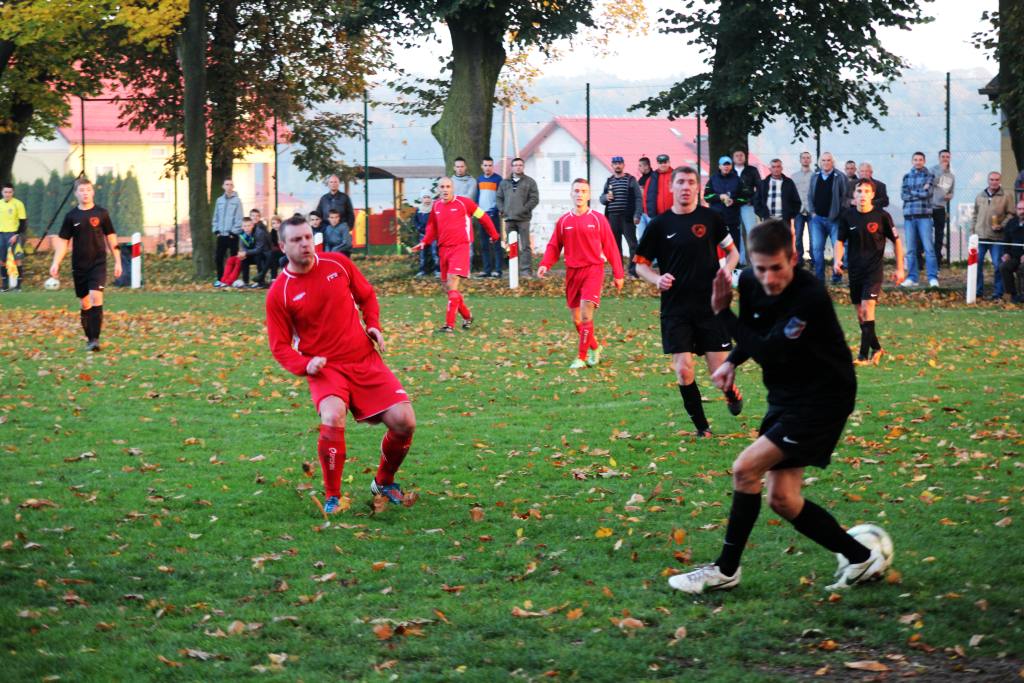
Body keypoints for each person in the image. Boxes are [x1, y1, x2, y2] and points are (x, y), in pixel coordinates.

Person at [669, 219, 885, 594]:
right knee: (783, 499)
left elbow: (772, 350)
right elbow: (759, 332)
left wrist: (722, 313)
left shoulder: (809, 296)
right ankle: (861, 557)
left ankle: (725, 570)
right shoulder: (752, 283)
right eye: (760, 268)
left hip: (824, 397)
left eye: (777, 268)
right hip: (787, 394)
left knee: (744, 469)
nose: (768, 278)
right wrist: (733, 361)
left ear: (794, 258)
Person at [266, 215, 416, 512]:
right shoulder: (279, 293)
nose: (305, 244)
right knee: (333, 416)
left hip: (364, 358)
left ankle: (384, 481)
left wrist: (373, 325)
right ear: (283, 246)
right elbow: (279, 346)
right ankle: (333, 496)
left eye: (308, 237)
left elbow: (367, 296)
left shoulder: (338, 264)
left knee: (405, 421)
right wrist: (304, 365)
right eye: (296, 240)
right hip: (326, 368)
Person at [635, 166, 743, 438]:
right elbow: (640, 265)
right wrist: (656, 279)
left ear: (698, 188)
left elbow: (733, 253)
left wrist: (727, 270)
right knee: (683, 371)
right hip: (675, 309)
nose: (685, 187)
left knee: (719, 374)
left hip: (710, 307)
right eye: (680, 182)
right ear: (671, 187)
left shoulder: (711, 218)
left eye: (691, 182)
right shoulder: (659, 225)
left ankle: (730, 393)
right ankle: (702, 427)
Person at [538, 178, 625, 368]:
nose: (579, 194)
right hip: (572, 273)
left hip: (593, 270)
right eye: (576, 191)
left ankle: (582, 357)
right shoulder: (564, 221)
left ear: (589, 195)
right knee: (577, 320)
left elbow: (611, 247)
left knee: (586, 316)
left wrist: (618, 274)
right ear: (571, 194)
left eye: (583, 191)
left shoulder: (598, 219)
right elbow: (554, 246)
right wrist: (545, 263)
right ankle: (595, 347)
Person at [414, 177, 500, 332]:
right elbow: (432, 227)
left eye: (448, 186)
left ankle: (449, 325)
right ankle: (467, 316)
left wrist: (493, 234)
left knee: (453, 281)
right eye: (442, 187)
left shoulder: (464, 203)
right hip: (443, 249)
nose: (445, 189)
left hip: (461, 247)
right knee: (448, 289)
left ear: (452, 188)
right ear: (438, 190)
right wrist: (424, 242)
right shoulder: (437, 206)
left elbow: (484, 217)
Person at [834, 180, 905, 365]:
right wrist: (837, 260)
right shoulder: (847, 216)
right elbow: (840, 241)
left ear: (872, 195)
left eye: (867, 191)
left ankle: (862, 356)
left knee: (867, 309)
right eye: (859, 191)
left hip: (873, 271)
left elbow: (897, 241)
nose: (863, 194)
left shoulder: (882, 216)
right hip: (855, 272)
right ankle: (877, 348)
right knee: (860, 315)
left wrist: (900, 268)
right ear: (854, 196)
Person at [48, 178, 123, 352]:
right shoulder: (71, 216)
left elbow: (111, 238)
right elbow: (63, 243)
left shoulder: (102, 214)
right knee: (85, 304)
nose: (85, 193)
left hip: (98, 263)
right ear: (76, 194)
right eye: (81, 190)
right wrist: (55, 263)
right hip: (79, 265)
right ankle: (90, 338)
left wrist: (118, 261)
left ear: (93, 192)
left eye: (88, 189)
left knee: (96, 296)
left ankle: (95, 340)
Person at [900, 152, 939, 288]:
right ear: (912, 161)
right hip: (909, 217)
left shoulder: (929, 176)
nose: (918, 162)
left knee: (929, 248)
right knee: (910, 250)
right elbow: (903, 195)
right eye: (915, 159)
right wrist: (919, 192)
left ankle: (933, 278)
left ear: (924, 161)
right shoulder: (906, 177)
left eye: (920, 160)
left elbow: (927, 194)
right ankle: (912, 278)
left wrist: (912, 192)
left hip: (924, 217)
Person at [808, 152, 848, 283]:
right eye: (823, 160)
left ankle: (837, 277)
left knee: (838, 248)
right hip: (817, 219)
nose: (826, 162)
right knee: (817, 249)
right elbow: (809, 196)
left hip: (834, 220)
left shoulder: (840, 176)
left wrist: (839, 214)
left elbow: (845, 197)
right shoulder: (815, 177)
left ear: (833, 162)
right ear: (820, 162)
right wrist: (812, 212)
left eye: (828, 160)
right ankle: (819, 279)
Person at [599, 155, 643, 277]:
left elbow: (638, 198)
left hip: (628, 217)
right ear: (612, 166)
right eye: (615, 163)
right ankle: (618, 272)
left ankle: (633, 271)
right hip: (613, 218)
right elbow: (601, 198)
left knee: (633, 245)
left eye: (620, 163)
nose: (617, 165)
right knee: (615, 246)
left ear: (623, 165)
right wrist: (605, 198)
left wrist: (637, 214)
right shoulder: (609, 181)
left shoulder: (630, 180)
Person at [496, 158, 539, 278]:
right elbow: (499, 197)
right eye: (515, 165)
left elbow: (534, 199)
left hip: (524, 219)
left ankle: (526, 272)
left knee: (525, 246)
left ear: (523, 167)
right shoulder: (504, 183)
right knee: (511, 246)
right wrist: (502, 209)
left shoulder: (530, 182)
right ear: (512, 167)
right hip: (509, 219)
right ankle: (514, 271)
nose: (518, 167)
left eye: (520, 165)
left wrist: (524, 209)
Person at [971, 171, 1012, 299]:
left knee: (997, 265)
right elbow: (975, 215)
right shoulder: (979, 196)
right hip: (980, 237)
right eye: (991, 179)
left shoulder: (1006, 196)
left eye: (996, 179)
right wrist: (973, 231)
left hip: (997, 238)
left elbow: (1011, 214)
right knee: (976, 264)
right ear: (988, 180)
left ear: (1000, 181)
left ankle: (998, 293)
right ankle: (977, 292)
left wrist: (1002, 225)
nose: (994, 182)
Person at [704, 156, 743, 252]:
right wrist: (719, 197)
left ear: (731, 166)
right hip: (716, 217)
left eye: (728, 164)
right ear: (719, 166)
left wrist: (734, 201)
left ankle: (735, 266)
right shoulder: (713, 179)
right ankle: (717, 265)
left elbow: (745, 197)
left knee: (734, 244)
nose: (726, 167)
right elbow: (706, 197)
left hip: (733, 217)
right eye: (724, 165)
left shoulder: (737, 179)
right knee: (716, 243)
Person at [754, 158, 801, 234]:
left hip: (784, 221)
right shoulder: (763, 183)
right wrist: (763, 214)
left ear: (782, 168)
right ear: (770, 169)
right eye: (773, 167)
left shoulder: (789, 183)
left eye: (778, 166)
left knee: (783, 244)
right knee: (769, 244)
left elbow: (796, 201)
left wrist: (790, 214)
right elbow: (756, 201)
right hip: (768, 221)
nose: (776, 169)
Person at [732, 149, 762, 264]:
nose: (739, 157)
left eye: (741, 155)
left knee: (752, 232)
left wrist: (753, 200)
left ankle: (756, 260)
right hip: (733, 206)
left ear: (745, 157)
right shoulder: (730, 171)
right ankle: (741, 261)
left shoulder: (752, 170)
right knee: (737, 233)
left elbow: (760, 187)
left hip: (748, 205)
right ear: (733, 158)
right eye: (737, 155)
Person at [212, 178, 243, 285]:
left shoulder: (237, 201)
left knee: (234, 259)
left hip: (232, 236)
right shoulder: (219, 200)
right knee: (218, 258)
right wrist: (216, 231)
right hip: (221, 235)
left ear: (233, 187)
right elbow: (215, 217)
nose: (229, 186)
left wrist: (233, 232)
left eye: (231, 184)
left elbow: (239, 218)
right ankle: (220, 279)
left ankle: (232, 280)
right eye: (227, 184)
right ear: (223, 186)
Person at [476, 156, 503, 278]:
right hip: (482, 215)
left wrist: (495, 209)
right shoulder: (479, 179)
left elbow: (501, 197)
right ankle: (487, 270)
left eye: (490, 165)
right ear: (482, 166)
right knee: (484, 244)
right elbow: (477, 197)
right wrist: (477, 212)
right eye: (485, 165)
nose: (487, 167)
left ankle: (498, 270)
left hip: (492, 215)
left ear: (493, 166)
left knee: (496, 243)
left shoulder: (498, 179)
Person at [929, 150, 955, 263]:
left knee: (939, 235)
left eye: (947, 157)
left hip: (940, 208)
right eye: (943, 156)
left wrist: (950, 195)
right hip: (929, 208)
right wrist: (941, 171)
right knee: (926, 234)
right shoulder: (932, 170)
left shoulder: (951, 175)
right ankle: (922, 260)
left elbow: (951, 190)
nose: (945, 159)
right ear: (939, 158)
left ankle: (937, 260)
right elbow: (932, 183)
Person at [1, 182, 27, 291]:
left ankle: (18, 286)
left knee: (17, 260)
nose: (8, 194)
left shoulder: (18, 204)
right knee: (2, 260)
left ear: (13, 192)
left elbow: (23, 222)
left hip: (14, 235)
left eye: (10, 192)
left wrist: (16, 234)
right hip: (1, 235)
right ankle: (5, 286)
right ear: (2, 192)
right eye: (5, 192)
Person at [998, 200, 1024, 303]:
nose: (1022, 211)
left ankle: (1023, 295)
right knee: (1004, 267)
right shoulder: (1011, 223)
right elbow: (1006, 240)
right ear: (1016, 210)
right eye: (1020, 209)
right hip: (1014, 256)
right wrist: (1006, 253)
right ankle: (1012, 295)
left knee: (1023, 268)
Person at [792, 151, 814, 265]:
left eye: (807, 158)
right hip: (798, 211)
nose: (805, 160)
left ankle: (813, 260)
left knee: (813, 236)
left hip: (811, 211)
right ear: (800, 160)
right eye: (803, 158)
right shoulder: (794, 177)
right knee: (798, 236)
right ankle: (799, 261)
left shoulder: (815, 176)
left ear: (810, 160)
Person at [413, 192, 439, 277]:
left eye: (428, 197)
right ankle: (423, 270)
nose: (427, 199)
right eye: (425, 197)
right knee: (423, 254)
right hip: (422, 235)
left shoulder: (433, 209)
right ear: (421, 199)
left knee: (435, 253)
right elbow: (415, 220)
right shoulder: (419, 209)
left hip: (433, 235)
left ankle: (438, 270)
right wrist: (418, 228)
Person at [644, 154, 674, 219]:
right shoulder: (652, 178)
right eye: (660, 163)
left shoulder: (675, 176)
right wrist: (647, 212)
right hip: (656, 216)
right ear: (657, 163)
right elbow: (645, 195)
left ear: (669, 163)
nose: (663, 165)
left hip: (674, 215)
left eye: (665, 162)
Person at [637, 156, 654, 242]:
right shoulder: (641, 180)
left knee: (653, 238)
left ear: (647, 166)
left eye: (640, 166)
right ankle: (643, 256)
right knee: (642, 239)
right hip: (641, 213)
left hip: (651, 213)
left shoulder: (654, 178)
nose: (638, 168)